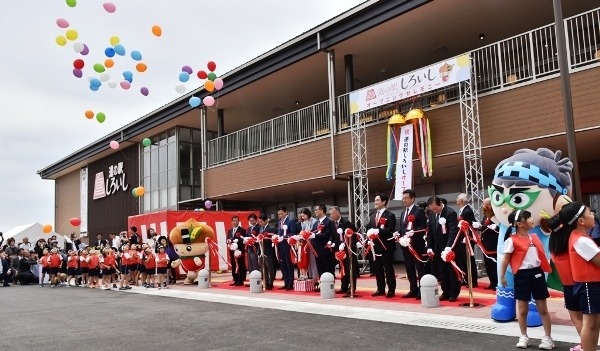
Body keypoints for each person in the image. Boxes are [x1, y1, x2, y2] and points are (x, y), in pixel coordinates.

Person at [499, 209, 554, 349]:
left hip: (537, 274)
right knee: (523, 310)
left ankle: (548, 338)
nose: (532, 219)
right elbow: (506, 259)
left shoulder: (534, 237)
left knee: (542, 308)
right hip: (521, 276)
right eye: (528, 218)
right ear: (520, 224)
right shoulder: (511, 240)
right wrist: (502, 276)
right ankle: (524, 336)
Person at [560, 202, 600, 351]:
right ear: (581, 221)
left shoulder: (579, 237)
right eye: (590, 213)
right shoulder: (581, 240)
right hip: (589, 285)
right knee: (590, 324)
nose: (593, 215)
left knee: (594, 324)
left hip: (589, 285)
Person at [548, 210, 585, 351]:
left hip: (568, 287)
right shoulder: (575, 241)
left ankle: (584, 345)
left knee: (577, 319)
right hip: (583, 283)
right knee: (589, 320)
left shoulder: (554, 247)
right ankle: (588, 345)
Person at [426, 195, 461, 302]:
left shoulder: (450, 213)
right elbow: (430, 232)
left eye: (436, 208)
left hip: (449, 248)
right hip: (438, 248)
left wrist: (448, 247)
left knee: (452, 271)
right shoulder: (432, 215)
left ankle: (453, 293)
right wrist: (429, 247)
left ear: (440, 203)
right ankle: (445, 291)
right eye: (432, 209)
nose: (434, 211)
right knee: (442, 271)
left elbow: (453, 231)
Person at [396, 189, 429, 299]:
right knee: (409, 268)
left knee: (419, 268)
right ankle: (412, 289)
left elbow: (424, 226)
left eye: (406, 198)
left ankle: (422, 289)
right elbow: (403, 228)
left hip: (416, 244)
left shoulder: (418, 211)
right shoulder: (403, 212)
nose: (404, 200)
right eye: (403, 198)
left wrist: (414, 231)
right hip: (405, 244)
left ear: (413, 199)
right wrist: (398, 232)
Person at [365, 193, 397, 298]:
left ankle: (391, 289)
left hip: (386, 246)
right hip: (375, 247)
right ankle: (380, 288)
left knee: (388, 268)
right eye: (375, 200)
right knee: (377, 269)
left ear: (384, 202)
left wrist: (378, 230)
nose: (375, 202)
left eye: (378, 200)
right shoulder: (373, 216)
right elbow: (369, 228)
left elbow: (390, 230)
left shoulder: (390, 215)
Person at [330, 206, 359, 296]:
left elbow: (354, 236)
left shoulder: (347, 223)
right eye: (330, 214)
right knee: (342, 268)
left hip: (348, 248)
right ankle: (344, 286)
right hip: (339, 249)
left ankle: (352, 287)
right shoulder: (332, 224)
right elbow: (333, 235)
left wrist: (347, 243)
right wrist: (331, 242)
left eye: (333, 213)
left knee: (350, 267)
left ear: (338, 213)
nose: (331, 215)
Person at [456, 193, 479, 288]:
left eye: (457, 199)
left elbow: (470, 225)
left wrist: (467, 236)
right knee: (463, 260)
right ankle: (466, 278)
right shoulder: (462, 210)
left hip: (467, 239)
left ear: (461, 201)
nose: (456, 200)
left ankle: (473, 280)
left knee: (469, 260)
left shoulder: (467, 211)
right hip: (462, 238)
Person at [312, 204, 336, 282]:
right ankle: (322, 284)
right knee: (320, 268)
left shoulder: (328, 222)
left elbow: (327, 234)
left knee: (328, 268)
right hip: (317, 249)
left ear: (322, 210)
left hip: (325, 249)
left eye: (316, 210)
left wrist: (314, 235)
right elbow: (312, 233)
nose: (315, 211)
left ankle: (330, 284)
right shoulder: (316, 223)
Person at [478, 198, 498, 290]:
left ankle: (497, 282)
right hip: (485, 242)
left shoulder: (495, 214)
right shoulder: (485, 214)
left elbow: (497, 227)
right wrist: (479, 227)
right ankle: (492, 282)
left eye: (486, 204)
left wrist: (483, 226)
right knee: (488, 264)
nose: (484, 206)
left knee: (494, 264)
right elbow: (484, 226)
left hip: (493, 243)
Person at [276, 206, 296, 290]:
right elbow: (279, 232)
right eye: (279, 214)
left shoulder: (290, 221)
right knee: (283, 265)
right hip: (281, 246)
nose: (280, 215)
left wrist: (284, 237)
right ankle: (286, 282)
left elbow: (293, 232)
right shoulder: (280, 222)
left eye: (281, 213)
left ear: (286, 212)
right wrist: (277, 237)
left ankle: (290, 283)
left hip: (288, 246)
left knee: (289, 265)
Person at [300, 208, 319, 283]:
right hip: (306, 244)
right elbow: (302, 231)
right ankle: (310, 277)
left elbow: (311, 232)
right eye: (302, 216)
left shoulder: (314, 221)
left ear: (308, 214)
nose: (303, 218)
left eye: (304, 216)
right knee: (308, 261)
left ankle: (315, 279)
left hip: (312, 243)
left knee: (313, 261)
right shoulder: (305, 222)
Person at [227, 216, 247, 286]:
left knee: (240, 265)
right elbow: (228, 240)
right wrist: (229, 242)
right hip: (232, 251)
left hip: (239, 251)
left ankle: (241, 280)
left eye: (236, 221)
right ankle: (235, 279)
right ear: (231, 222)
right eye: (234, 221)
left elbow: (243, 240)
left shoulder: (242, 230)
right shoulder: (229, 231)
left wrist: (237, 241)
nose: (235, 222)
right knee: (234, 265)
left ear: (238, 221)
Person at [258, 213, 275, 290]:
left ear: (265, 221)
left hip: (268, 250)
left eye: (261, 221)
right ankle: (265, 281)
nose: (260, 223)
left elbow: (271, 239)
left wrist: (264, 238)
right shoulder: (260, 229)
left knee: (269, 267)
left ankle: (271, 282)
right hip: (262, 250)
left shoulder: (270, 228)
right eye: (260, 221)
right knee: (263, 267)